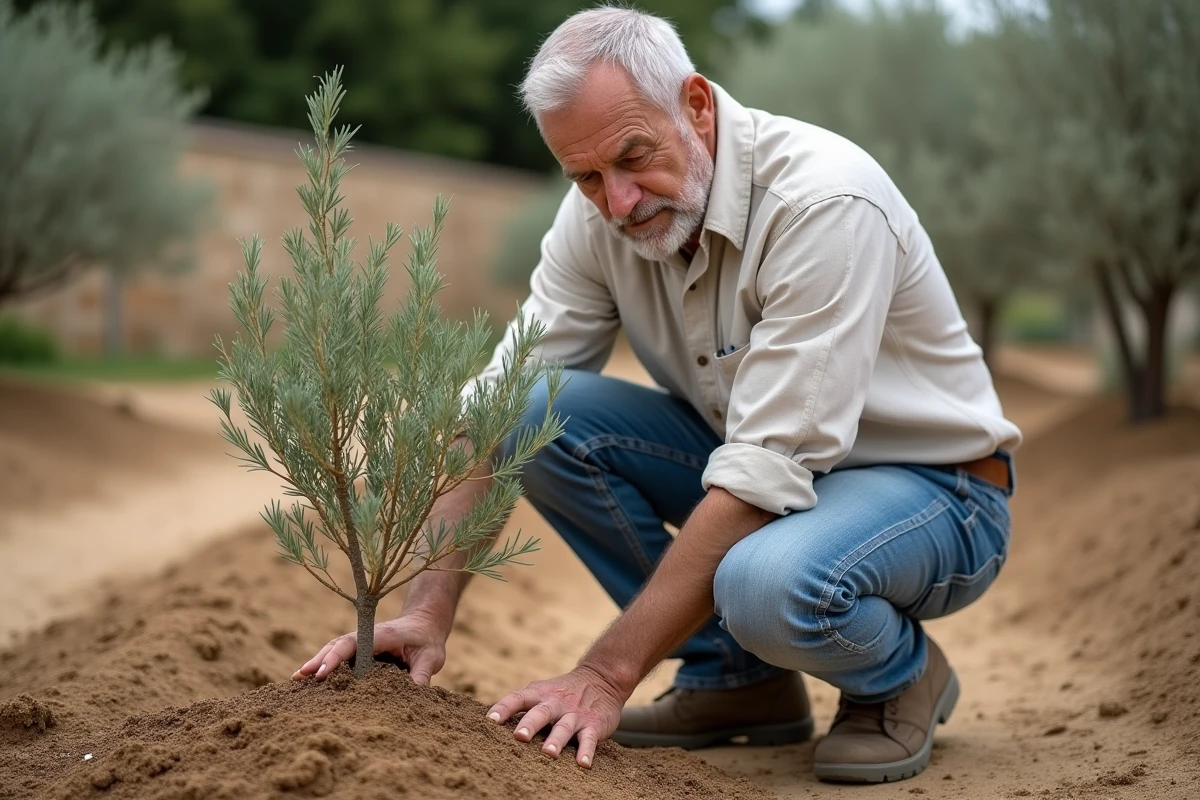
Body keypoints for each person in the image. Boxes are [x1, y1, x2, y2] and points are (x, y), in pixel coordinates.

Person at [293, 6, 1022, 784]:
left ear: (697, 106)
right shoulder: (597, 215)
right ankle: (736, 683)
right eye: (587, 177)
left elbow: (764, 473)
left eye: (634, 156)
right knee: (536, 410)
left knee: (764, 583)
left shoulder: (823, 204)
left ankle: (900, 676)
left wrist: (604, 677)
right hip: (777, 477)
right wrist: (425, 608)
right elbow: (497, 408)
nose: (619, 202)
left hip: (935, 494)